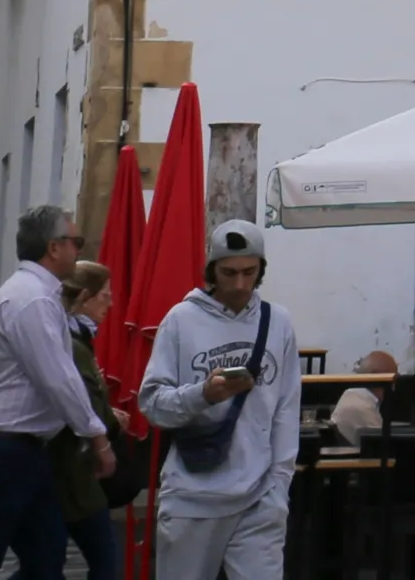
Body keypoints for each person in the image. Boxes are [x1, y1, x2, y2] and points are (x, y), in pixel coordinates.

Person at [0, 208, 115, 580]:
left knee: (45, 554)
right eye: (76, 242)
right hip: (4, 446)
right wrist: (98, 436)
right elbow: (58, 379)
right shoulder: (34, 301)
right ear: (53, 247)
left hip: (17, 447)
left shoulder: (27, 294)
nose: (79, 249)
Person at [139, 220, 300, 580]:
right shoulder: (180, 320)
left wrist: (279, 487)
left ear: (260, 270)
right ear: (212, 270)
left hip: (260, 498)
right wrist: (202, 395)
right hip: (193, 497)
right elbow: (151, 404)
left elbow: (286, 409)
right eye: (229, 273)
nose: (240, 284)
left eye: (249, 272)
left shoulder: (278, 323)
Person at [53, 263, 126, 580]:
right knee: (104, 559)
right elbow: (84, 401)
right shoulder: (72, 345)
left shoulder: (73, 339)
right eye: (105, 296)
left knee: (45, 562)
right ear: (85, 297)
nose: (110, 304)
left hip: (66, 471)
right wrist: (110, 421)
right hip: (72, 470)